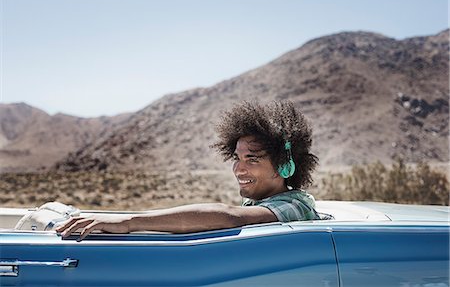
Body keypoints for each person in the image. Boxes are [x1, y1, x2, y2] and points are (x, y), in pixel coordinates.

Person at [56, 101, 319, 240]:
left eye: (252, 159)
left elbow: (229, 217)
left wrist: (128, 222)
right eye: (236, 158)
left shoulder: (294, 206)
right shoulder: (260, 202)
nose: (238, 168)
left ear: (284, 166)